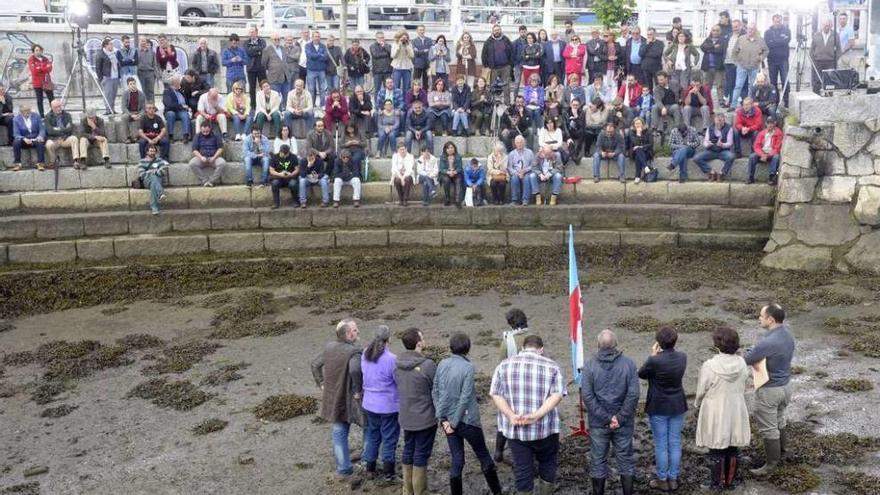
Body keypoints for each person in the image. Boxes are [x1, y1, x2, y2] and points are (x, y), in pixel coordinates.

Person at [489, 334, 564, 495]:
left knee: (522, 467)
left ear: (522, 348)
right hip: (545, 430)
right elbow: (557, 395)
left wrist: (510, 415)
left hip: (516, 430)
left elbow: (495, 394)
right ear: (541, 350)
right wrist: (537, 415)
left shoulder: (503, 366)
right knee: (547, 463)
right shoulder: (552, 366)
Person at [433, 333, 504, 495]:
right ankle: (497, 492)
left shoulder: (442, 363)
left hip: (448, 422)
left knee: (457, 460)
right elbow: (465, 397)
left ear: (451, 347)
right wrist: (454, 422)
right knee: (484, 456)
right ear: (468, 348)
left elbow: (435, 391)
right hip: (467, 421)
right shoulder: (468, 367)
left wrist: (443, 419)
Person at [582, 330, 639, 495]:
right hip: (623, 422)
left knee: (598, 460)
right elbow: (634, 394)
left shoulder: (590, 365)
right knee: (625, 459)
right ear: (616, 344)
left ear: (598, 344)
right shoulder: (628, 364)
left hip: (599, 422)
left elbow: (587, 396)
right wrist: (619, 418)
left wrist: (607, 418)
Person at [695, 326, 751, 491]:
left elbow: (701, 389)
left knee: (716, 447)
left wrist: (697, 402)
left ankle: (716, 483)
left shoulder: (709, 365)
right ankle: (729, 482)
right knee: (733, 446)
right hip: (736, 407)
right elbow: (745, 383)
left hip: (715, 409)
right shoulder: (741, 363)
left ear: (717, 344)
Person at [310, 319, 364, 483]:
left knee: (339, 432)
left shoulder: (329, 348)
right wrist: (357, 390)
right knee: (368, 426)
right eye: (355, 330)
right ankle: (369, 461)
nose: (358, 332)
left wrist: (321, 383)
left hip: (333, 398)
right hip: (351, 400)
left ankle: (344, 468)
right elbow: (355, 370)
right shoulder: (353, 352)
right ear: (347, 334)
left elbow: (314, 365)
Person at [745, 304, 795, 477]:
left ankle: (771, 464)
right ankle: (783, 452)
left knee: (769, 428)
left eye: (761, 316)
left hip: (769, 390)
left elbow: (748, 358)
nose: (759, 318)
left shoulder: (768, 341)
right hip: (786, 387)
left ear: (770, 319)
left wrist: (750, 351)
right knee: (780, 420)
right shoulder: (788, 335)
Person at [638, 327, 687, 492]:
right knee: (674, 442)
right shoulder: (682, 357)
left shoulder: (655, 360)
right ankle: (673, 478)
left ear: (658, 343)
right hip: (677, 404)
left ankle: (662, 479)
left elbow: (642, 374)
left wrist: (653, 355)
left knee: (661, 445)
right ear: (676, 340)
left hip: (658, 406)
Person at [395, 328, 437, 495]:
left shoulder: (396, 364)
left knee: (408, 449)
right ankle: (420, 491)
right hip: (425, 418)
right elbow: (436, 388)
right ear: (419, 343)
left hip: (406, 417)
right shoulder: (428, 365)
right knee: (421, 453)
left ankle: (407, 490)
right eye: (423, 337)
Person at [731, 24, 768, 108]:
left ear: (755, 30)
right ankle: (733, 105)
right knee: (738, 86)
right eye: (749, 29)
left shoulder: (760, 40)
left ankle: (749, 105)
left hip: (754, 67)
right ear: (746, 29)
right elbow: (734, 52)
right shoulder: (741, 39)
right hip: (742, 66)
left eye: (752, 29)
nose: (750, 31)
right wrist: (736, 62)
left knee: (752, 87)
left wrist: (760, 58)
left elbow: (766, 51)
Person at [694, 113, 735, 181]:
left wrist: (722, 145)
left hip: (723, 151)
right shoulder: (709, 128)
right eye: (717, 120)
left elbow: (730, 143)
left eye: (721, 120)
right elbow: (705, 141)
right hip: (711, 151)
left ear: (724, 120)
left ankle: (722, 173)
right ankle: (711, 172)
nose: (719, 122)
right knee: (696, 158)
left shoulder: (729, 128)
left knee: (731, 156)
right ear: (714, 120)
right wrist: (708, 144)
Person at [481, 25, 514, 105]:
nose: (497, 31)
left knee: (506, 87)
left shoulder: (506, 40)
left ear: (501, 30)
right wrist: (486, 65)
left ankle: (507, 105)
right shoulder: (488, 41)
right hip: (493, 68)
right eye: (495, 30)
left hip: (505, 67)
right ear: (492, 31)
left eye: (498, 30)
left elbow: (511, 52)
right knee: (492, 87)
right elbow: (484, 54)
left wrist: (510, 65)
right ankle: (493, 104)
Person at [45, 99, 81, 169]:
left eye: (59, 106)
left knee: (74, 139)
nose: (58, 108)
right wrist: (63, 129)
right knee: (48, 145)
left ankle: (76, 161)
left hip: (65, 138)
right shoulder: (48, 116)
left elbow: (70, 129)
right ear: (51, 107)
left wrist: (57, 129)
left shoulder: (67, 115)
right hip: (54, 139)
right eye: (56, 107)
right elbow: (49, 131)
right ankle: (53, 162)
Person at [189, 121, 226, 188]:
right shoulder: (197, 136)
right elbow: (194, 150)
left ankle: (211, 181)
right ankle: (205, 181)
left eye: (207, 131)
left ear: (210, 129)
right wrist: (201, 157)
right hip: (202, 158)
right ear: (201, 130)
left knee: (222, 163)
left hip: (214, 157)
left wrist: (214, 157)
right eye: (203, 132)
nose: (205, 133)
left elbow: (220, 148)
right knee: (192, 163)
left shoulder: (216, 135)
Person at [764, 14, 791, 105]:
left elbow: (786, 41)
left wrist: (774, 41)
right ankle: (775, 101)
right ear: (773, 21)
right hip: (772, 60)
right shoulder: (767, 32)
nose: (777, 23)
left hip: (783, 60)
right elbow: (768, 44)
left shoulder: (787, 30)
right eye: (776, 21)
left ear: (781, 21)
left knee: (785, 80)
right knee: (773, 82)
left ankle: (787, 101)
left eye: (779, 21)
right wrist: (779, 41)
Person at [663, 32, 700, 97]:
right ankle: (676, 101)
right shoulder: (674, 45)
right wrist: (668, 61)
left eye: (682, 36)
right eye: (679, 36)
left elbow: (697, 54)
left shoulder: (689, 46)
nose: (681, 38)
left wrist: (694, 63)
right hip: (674, 69)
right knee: (674, 86)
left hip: (685, 70)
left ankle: (683, 101)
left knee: (683, 86)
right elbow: (665, 54)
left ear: (685, 38)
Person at [748, 116, 783, 185]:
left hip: (771, 154)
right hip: (762, 153)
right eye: (768, 123)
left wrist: (768, 155)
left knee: (776, 157)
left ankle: (772, 177)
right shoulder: (761, 133)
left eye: (771, 123)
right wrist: (762, 154)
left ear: (775, 123)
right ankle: (750, 177)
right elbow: (756, 146)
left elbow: (777, 148)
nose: (770, 125)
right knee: (752, 156)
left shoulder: (779, 133)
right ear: (766, 124)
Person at [10, 104, 46, 171]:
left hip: (36, 138)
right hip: (24, 139)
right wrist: (23, 138)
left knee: (41, 141)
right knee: (16, 142)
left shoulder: (36, 116)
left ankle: (40, 163)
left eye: (29, 111)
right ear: (21, 112)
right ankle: (17, 163)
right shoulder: (16, 119)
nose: (28, 113)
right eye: (25, 111)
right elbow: (16, 134)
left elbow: (42, 129)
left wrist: (40, 136)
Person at [810, 19, 841, 95]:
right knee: (817, 80)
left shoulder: (835, 35)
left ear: (831, 26)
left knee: (830, 80)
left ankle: (829, 96)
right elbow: (812, 49)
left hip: (830, 61)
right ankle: (816, 96)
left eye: (828, 25)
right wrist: (813, 59)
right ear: (822, 25)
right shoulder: (816, 34)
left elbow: (839, 49)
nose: (826, 27)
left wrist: (835, 59)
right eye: (824, 25)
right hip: (818, 61)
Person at [262, 33, 292, 109]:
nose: (277, 41)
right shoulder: (267, 50)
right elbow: (264, 63)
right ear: (271, 40)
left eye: (278, 39)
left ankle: (285, 111)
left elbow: (286, 61)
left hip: (285, 77)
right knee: (275, 98)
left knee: (287, 97)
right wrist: (273, 69)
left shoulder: (283, 48)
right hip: (274, 78)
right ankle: (277, 112)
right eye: (275, 39)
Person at [138, 144, 169, 215]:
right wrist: (155, 172)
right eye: (151, 151)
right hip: (146, 181)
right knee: (154, 178)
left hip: (158, 181)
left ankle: (154, 208)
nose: (152, 153)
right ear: (147, 152)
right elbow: (142, 174)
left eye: (154, 151)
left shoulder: (160, 160)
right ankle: (160, 193)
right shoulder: (142, 162)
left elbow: (163, 171)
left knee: (154, 183)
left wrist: (152, 172)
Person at [700, 25, 727, 102]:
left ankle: (721, 100)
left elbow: (720, 50)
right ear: (711, 31)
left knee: (720, 85)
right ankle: (705, 100)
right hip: (707, 67)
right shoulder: (708, 39)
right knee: (707, 86)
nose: (715, 32)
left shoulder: (723, 40)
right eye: (714, 30)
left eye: (717, 30)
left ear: (720, 31)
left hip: (718, 67)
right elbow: (702, 47)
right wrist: (713, 46)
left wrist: (709, 49)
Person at [162, 76, 192, 143]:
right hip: (170, 111)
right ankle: (170, 136)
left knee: (185, 115)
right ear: (174, 83)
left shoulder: (181, 91)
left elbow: (186, 102)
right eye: (179, 82)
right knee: (171, 114)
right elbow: (169, 105)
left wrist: (187, 107)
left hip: (180, 111)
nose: (180, 83)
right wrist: (181, 106)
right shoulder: (167, 91)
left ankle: (186, 135)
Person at [723, 19, 745, 108]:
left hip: (739, 63)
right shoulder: (729, 35)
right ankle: (731, 102)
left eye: (736, 27)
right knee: (730, 83)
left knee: (740, 84)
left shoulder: (744, 36)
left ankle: (742, 102)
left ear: (741, 26)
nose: (735, 28)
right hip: (728, 62)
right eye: (733, 27)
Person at [94, 38, 119, 115]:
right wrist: (101, 78)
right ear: (105, 45)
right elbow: (98, 68)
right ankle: (108, 110)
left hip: (115, 76)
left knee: (114, 94)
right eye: (110, 44)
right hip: (107, 77)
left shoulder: (114, 53)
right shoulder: (101, 54)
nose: (112, 46)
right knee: (108, 95)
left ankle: (112, 109)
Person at [27, 44, 54, 117]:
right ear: (33, 51)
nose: (38, 52)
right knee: (40, 100)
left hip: (47, 82)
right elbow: (34, 71)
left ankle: (53, 112)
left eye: (40, 50)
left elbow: (50, 68)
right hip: (37, 83)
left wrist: (40, 68)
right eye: (36, 50)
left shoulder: (45, 59)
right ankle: (42, 115)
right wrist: (44, 68)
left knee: (51, 98)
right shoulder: (31, 59)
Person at [304, 31, 329, 108]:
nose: (317, 38)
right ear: (312, 37)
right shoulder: (307, 46)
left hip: (321, 70)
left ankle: (322, 105)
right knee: (311, 89)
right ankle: (311, 106)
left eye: (318, 36)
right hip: (311, 70)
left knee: (322, 89)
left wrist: (316, 56)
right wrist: (319, 54)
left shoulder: (323, 46)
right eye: (315, 36)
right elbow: (310, 55)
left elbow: (325, 57)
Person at [507, 135, 534, 205]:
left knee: (527, 178)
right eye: (518, 142)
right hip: (516, 173)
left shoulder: (530, 152)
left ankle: (525, 200)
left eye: (521, 142)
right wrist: (517, 173)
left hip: (527, 172)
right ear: (515, 144)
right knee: (514, 179)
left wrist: (525, 170)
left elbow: (533, 165)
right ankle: (515, 200)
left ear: (524, 142)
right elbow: (509, 167)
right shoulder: (511, 154)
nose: (519, 144)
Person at [245, 26, 268, 109]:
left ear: (257, 32)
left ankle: (265, 105)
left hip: (261, 68)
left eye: (253, 32)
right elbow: (249, 52)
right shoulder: (246, 42)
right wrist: (257, 51)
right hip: (251, 69)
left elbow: (263, 49)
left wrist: (254, 50)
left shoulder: (262, 41)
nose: (251, 33)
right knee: (252, 88)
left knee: (264, 87)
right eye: (250, 32)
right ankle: (253, 106)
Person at [626, 117, 654, 184]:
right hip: (634, 152)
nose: (638, 125)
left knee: (638, 156)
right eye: (636, 124)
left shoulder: (648, 131)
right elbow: (635, 143)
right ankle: (645, 167)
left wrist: (642, 147)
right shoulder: (631, 132)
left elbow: (651, 144)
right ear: (634, 125)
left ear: (642, 124)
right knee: (637, 150)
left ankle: (637, 177)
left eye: (639, 123)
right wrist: (638, 134)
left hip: (647, 152)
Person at [120, 77, 147, 142]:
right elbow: (123, 107)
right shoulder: (125, 94)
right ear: (128, 85)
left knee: (143, 117)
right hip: (129, 113)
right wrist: (131, 115)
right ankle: (126, 138)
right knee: (124, 118)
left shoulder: (141, 94)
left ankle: (137, 137)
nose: (133, 85)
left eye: (134, 83)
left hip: (138, 112)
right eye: (131, 84)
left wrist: (140, 115)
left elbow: (143, 108)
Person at [563, 98, 588, 165]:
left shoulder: (581, 112)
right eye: (573, 105)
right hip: (569, 131)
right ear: (571, 105)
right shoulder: (566, 112)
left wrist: (576, 117)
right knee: (569, 140)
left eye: (576, 105)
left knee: (583, 132)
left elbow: (582, 125)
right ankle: (575, 158)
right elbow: (565, 125)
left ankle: (575, 154)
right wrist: (568, 137)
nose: (575, 107)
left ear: (579, 106)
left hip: (577, 131)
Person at [439, 141, 464, 208]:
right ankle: (447, 198)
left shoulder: (458, 156)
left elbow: (460, 168)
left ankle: (457, 200)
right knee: (446, 180)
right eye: (448, 148)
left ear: (454, 148)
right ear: (445, 149)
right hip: (446, 173)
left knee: (458, 180)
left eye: (452, 147)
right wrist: (448, 172)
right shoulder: (442, 157)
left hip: (456, 173)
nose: (450, 149)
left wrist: (454, 172)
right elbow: (441, 169)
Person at [371, 32, 393, 98]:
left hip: (387, 71)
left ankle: (388, 104)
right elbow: (375, 55)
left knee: (388, 89)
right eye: (379, 38)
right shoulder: (372, 46)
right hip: (377, 71)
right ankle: (377, 107)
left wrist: (385, 47)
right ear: (376, 38)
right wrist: (386, 54)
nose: (381, 39)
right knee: (377, 90)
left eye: (382, 37)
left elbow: (392, 54)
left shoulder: (388, 46)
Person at [137, 36, 159, 102]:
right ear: (139, 42)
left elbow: (154, 64)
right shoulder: (136, 52)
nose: (143, 42)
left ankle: (151, 107)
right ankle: (143, 108)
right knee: (141, 91)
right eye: (141, 41)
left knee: (150, 91)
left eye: (144, 41)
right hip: (140, 73)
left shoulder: (152, 53)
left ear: (146, 42)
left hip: (150, 74)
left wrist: (156, 75)